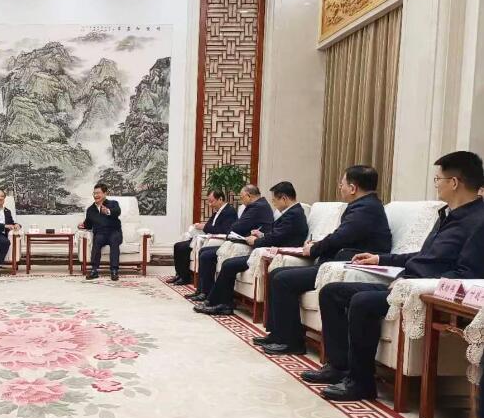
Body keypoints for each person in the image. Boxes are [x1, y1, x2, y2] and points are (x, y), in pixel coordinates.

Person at [307, 152, 484, 401]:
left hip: (423, 293)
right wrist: (381, 259)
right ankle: (339, 367)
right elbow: (424, 256)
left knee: (362, 302)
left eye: (438, 179)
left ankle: (361, 383)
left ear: (454, 182)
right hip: (406, 283)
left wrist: (414, 285)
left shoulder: (478, 222)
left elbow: (467, 274)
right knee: (332, 292)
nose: (436, 184)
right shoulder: (447, 215)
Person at [258, 165, 392, 356]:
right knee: (277, 274)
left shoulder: (366, 208)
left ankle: (291, 342)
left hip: (348, 265)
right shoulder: (364, 206)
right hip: (338, 261)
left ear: (353, 188)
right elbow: (341, 236)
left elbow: (340, 237)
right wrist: (316, 246)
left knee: (282, 279)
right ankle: (279, 334)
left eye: (342, 184)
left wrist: (314, 249)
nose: (340, 187)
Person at [195, 182, 309, 315]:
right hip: (268, 249)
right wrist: (261, 235)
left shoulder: (293, 214)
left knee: (229, 265)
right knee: (228, 264)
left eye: (274, 200)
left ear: (284, 198)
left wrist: (256, 240)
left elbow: (276, 238)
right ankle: (218, 302)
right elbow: (277, 234)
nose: (273, 204)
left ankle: (221, 304)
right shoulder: (292, 212)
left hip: (274, 254)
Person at [186, 184, 274, 301]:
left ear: (249, 196)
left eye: (242, 197)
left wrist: (234, 229)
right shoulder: (258, 205)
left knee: (207, 255)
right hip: (244, 242)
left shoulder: (257, 207)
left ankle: (207, 293)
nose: (241, 200)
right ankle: (202, 290)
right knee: (204, 252)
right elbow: (236, 226)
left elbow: (237, 227)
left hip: (249, 246)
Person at [168, 189, 237, 286]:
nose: (210, 204)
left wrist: (204, 227)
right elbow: (210, 225)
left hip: (215, 241)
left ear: (220, 199)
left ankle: (185, 277)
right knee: (178, 246)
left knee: (183, 247)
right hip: (206, 237)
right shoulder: (217, 211)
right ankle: (179, 274)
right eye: (209, 201)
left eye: (211, 201)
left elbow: (224, 229)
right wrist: (201, 226)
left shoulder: (229, 211)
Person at [78, 183, 123, 281]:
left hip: (114, 232)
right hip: (101, 233)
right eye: (94, 193)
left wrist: (107, 211)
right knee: (97, 240)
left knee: (114, 240)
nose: (96, 195)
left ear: (105, 193)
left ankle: (114, 271)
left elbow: (117, 212)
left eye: (98, 193)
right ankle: (94, 270)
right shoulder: (90, 210)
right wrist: (83, 225)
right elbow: (88, 224)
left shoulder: (113, 204)